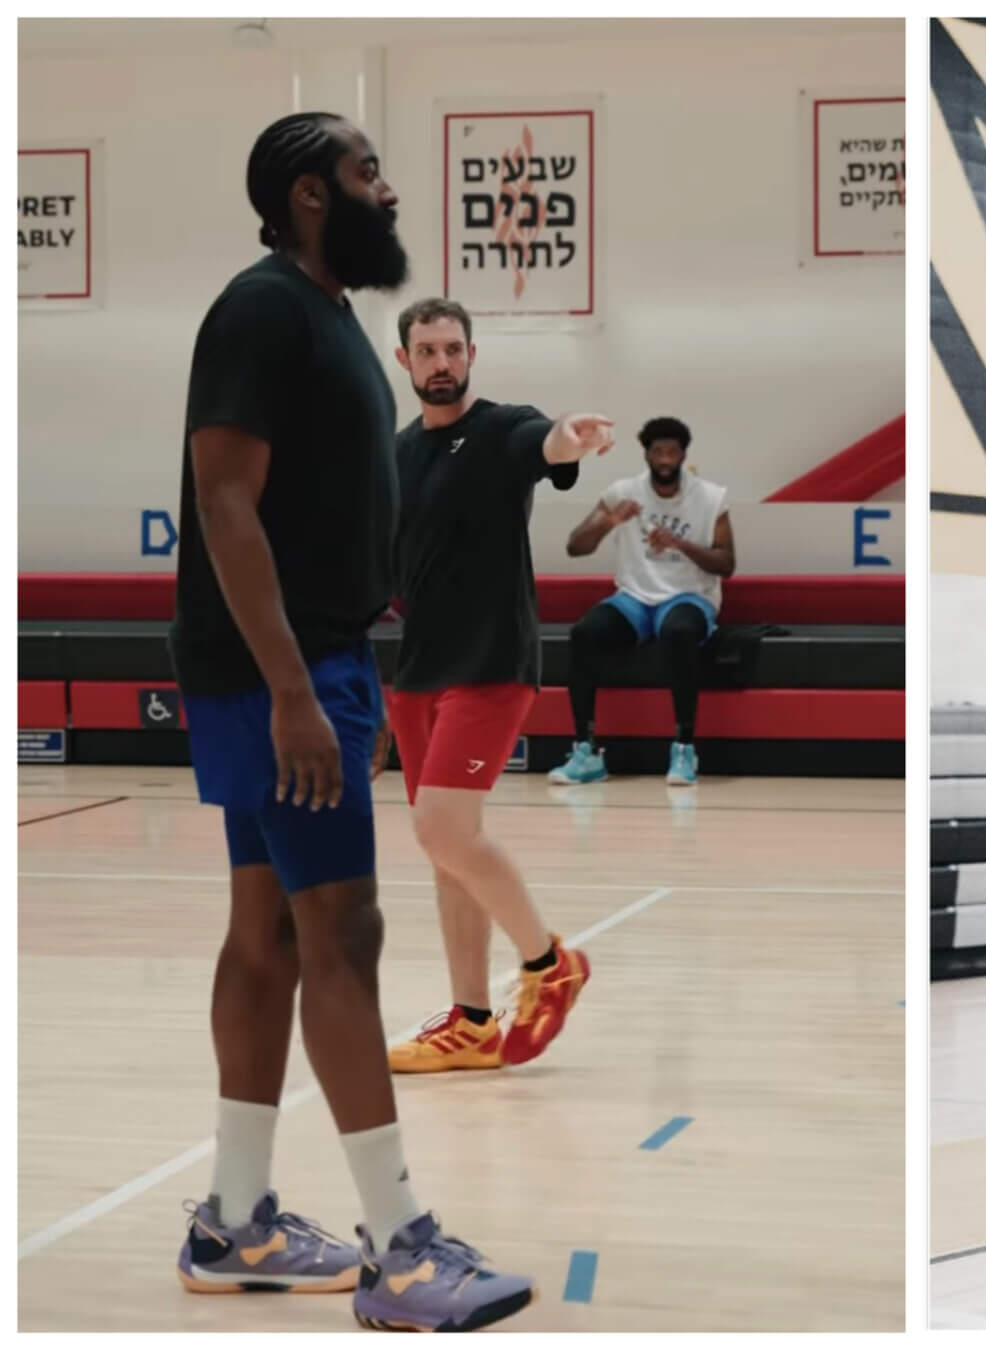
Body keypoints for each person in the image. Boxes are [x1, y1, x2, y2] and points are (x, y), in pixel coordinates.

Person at [169, 111, 532, 1332]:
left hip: (305, 664)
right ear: (312, 193)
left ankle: (235, 1220)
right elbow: (225, 500)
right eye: (369, 172)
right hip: (279, 671)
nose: (390, 190)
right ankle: (401, 1249)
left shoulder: (322, 315)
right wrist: (290, 692)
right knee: (347, 933)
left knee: (267, 931)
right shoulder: (263, 309)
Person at [382, 297, 610, 1075]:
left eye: (453, 348)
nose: (441, 361)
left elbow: (542, 446)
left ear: (470, 356)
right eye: (426, 350)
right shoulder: (400, 453)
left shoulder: (506, 428)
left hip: (490, 663)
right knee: (445, 852)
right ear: (404, 362)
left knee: (443, 830)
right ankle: (472, 1021)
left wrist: (565, 437)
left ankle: (549, 964)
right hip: (418, 672)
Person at [549, 417, 735, 787]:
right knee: (584, 634)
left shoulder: (710, 497)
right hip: (634, 598)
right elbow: (575, 546)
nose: (665, 458)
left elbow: (726, 564)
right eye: (658, 451)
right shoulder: (623, 492)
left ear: (683, 455)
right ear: (647, 455)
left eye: (672, 451)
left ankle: (683, 748)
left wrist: (680, 544)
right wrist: (609, 522)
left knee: (679, 631)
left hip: (689, 597)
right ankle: (586, 752)